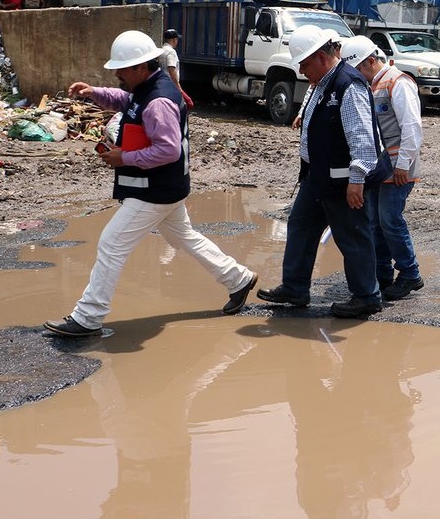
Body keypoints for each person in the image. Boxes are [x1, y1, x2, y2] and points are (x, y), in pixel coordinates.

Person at [43, 30, 258, 337]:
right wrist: (94, 92)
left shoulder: (158, 101)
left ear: (141, 67)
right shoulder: (148, 88)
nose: (117, 73)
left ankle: (88, 318)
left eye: (122, 68)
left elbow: (168, 149)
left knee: (111, 243)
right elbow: (127, 101)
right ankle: (239, 279)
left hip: (154, 190)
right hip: (165, 187)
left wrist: (124, 158)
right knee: (185, 237)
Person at [255, 25, 384, 318]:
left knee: (352, 235)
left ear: (323, 58)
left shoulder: (348, 85)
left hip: (344, 180)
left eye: (304, 63)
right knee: (300, 224)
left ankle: (367, 296)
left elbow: (363, 137)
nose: (301, 70)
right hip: (318, 176)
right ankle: (295, 288)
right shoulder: (323, 83)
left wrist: (356, 179)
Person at [339, 35, 426, 301]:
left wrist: (403, 165)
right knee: (376, 222)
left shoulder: (398, 82)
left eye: (358, 69)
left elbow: (412, 127)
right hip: (379, 169)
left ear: (371, 61)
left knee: (390, 220)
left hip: (399, 168)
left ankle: (410, 274)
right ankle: (382, 275)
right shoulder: (370, 85)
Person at [158, 29, 195, 109]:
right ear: (174, 40)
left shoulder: (161, 50)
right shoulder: (171, 52)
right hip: (171, 83)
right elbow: (171, 69)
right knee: (189, 103)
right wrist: (178, 86)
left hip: (162, 82)